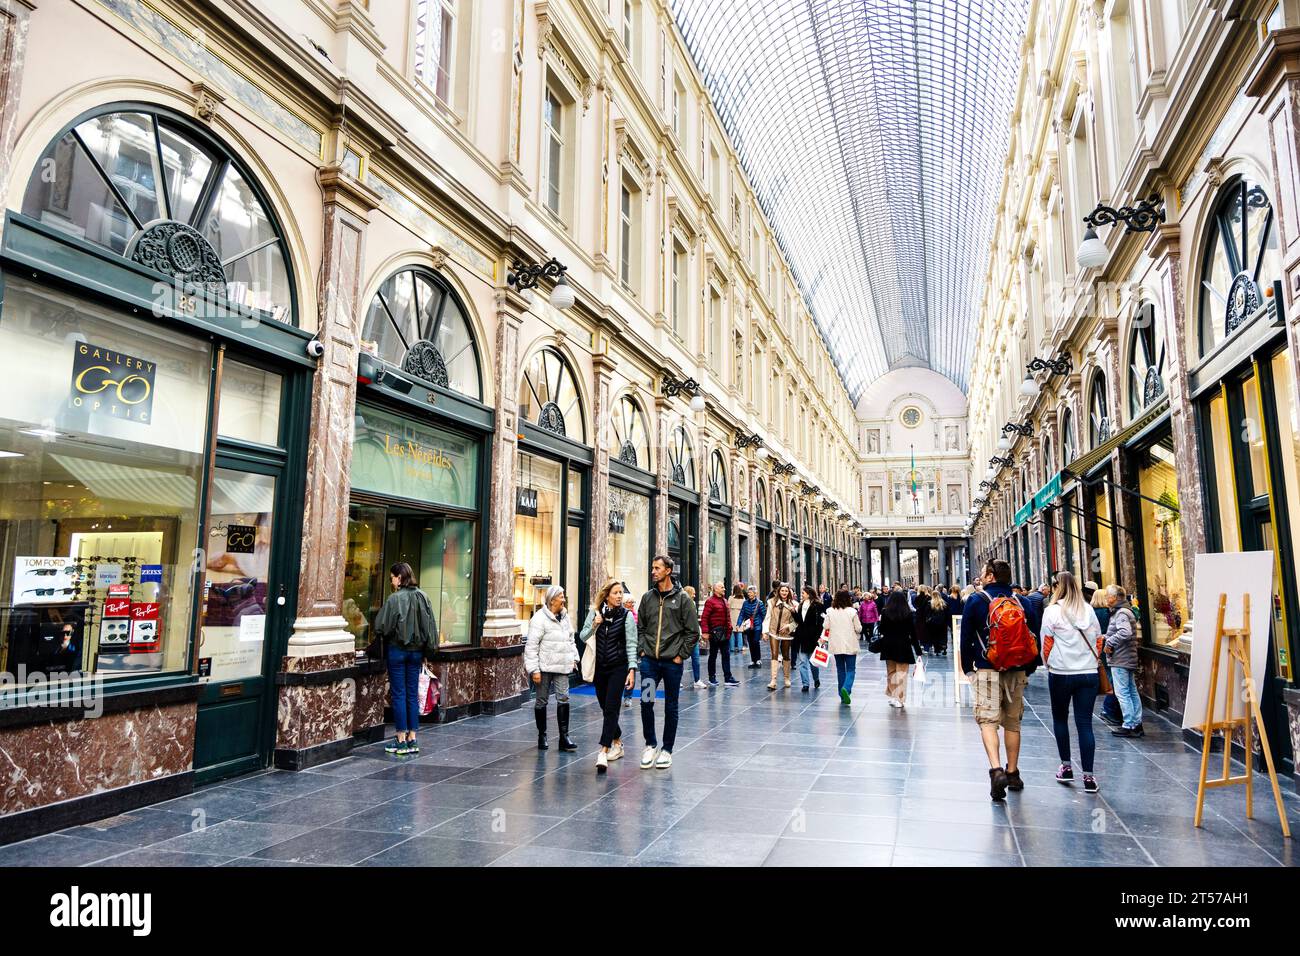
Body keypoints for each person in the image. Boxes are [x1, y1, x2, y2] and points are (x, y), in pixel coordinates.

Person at [960, 560, 1041, 800]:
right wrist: (1029, 668)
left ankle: (996, 771)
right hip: (1017, 669)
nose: (981, 576)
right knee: (1013, 722)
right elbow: (1033, 636)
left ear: (991, 576)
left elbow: (966, 637)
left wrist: (968, 668)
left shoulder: (976, 600)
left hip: (987, 668)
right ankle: (1013, 772)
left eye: (984, 573)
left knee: (988, 721)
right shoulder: (1022, 602)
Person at [1040, 571, 1103, 793]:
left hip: (1061, 673)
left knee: (1060, 718)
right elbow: (1099, 639)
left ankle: (1066, 767)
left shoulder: (1051, 611)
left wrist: (1049, 664)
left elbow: (1046, 643)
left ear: (1056, 588)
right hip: (1088, 673)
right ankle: (1089, 777)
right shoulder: (1088, 610)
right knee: (1085, 724)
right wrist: (1091, 661)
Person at [636, 555, 699, 770]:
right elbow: (641, 627)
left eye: (657, 568)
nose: (653, 571)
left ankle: (667, 750)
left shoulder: (683, 599)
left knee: (671, 706)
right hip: (649, 664)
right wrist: (642, 650)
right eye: (652, 568)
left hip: (672, 664)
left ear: (668, 571)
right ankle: (650, 744)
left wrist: (680, 655)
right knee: (646, 702)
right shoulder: (647, 598)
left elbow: (693, 632)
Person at [374, 562, 435, 756]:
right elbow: (431, 627)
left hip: (397, 651)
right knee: (412, 694)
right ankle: (412, 738)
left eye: (392, 577)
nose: (391, 581)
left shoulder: (394, 599)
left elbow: (381, 626)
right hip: (417, 653)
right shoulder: (423, 596)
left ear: (399, 578)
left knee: (399, 694)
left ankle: (400, 739)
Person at [578, 579, 638, 773]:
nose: (619, 596)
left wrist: (632, 669)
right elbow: (582, 636)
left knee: (612, 707)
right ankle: (618, 742)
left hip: (618, 668)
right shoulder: (595, 613)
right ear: (606, 596)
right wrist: (594, 625)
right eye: (615, 593)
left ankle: (603, 751)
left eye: (621, 593)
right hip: (600, 668)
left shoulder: (627, 616)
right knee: (606, 708)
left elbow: (631, 644)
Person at [525, 584, 579, 752]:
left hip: (562, 665)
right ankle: (542, 735)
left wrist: (574, 658)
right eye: (561, 596)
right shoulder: (539, 619)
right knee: (541, 701)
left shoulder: (565, 617)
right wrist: (534, 670)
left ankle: (564, 737)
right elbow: (531, 646)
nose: (564, 600)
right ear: (552, 600)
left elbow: (571, 639)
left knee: (564, 698)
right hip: (544, 667)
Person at [1103, 584, 1144, 737]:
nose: (1106, 598)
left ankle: (1129, 724)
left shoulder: (1121, 613)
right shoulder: (1125, 611)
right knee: (1131, 691)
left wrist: (1109, 642)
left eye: (1107, 596)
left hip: (1120, 658)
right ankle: (1136, 723)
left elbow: (1125, 632)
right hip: (1126, 657)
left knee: (1123, 692)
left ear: (1114, 598)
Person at [876, 589, 919, 708]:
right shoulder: (908, 613)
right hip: (903, 646)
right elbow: (913, 633)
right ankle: (899, 698)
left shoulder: (885, 612)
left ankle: (893, 696)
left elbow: (882, 629)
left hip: (888, 645)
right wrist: (918, 650)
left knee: (891, 672)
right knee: (901, 674)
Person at [1087, 582, 1122, 726]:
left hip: (1098, 646)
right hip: (1110, 646)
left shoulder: (1090, 612)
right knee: (1112, 677)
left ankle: (1110, 708)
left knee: (1107, 675)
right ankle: (1109, 708)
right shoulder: (1109, 612)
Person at [824, 588, 862, 705]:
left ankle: (842, 695)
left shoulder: (830, 611)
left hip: (836, 644)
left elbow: (826, 626)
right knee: (851, 669)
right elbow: (858, 628)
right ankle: (846, 688)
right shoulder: (852, 611)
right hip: (850, 643)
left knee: (840, 670)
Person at [701, 581, 738, 687]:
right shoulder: (710, 601)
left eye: (724, 587)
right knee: (713, 655)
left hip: (725, 633)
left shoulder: (725, 600)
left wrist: (730, 629)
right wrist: (705, 632)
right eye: (722, 587)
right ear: (715, 589)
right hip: (714, 633)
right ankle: (711, 677)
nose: (724, 589)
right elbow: (704, 617)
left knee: (726, 655)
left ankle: (728, 678)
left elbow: (728, 617)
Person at [764, 583, 798, 690]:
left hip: (786, 633)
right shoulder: (771, 602)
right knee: (774, 654)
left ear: (789, 592)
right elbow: (768, 617)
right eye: (782, 590)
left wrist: (789, 626)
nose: (784, 592)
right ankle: (773, 680)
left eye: (786, 591)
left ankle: (787, 678)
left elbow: (797, 621)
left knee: (786, 654)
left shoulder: (794, 604)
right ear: (779, 591)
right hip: (773, 631)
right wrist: (765, 632)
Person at [793, 584, 825, 692]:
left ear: (809, 594)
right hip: (801, 637)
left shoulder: (818, 605)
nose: (801, 595)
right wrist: (793, 612)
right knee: (802, 661)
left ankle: (816, 679)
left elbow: (821, 622)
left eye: (803, 593)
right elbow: (799, 621)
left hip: (813, 637)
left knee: (813, 662)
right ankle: (805, 684)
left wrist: (820, 636)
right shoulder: (800, 605)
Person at [682, 585, 706, 690]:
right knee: (680, 659)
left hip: (693, 635)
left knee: (696, 659)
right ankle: (677, 680)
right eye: (693, 593)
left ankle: (697, 680)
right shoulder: (681, 604)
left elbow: (695, 621)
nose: (695, 595)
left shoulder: (693, 604)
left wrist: (699, 634)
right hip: (684, 635)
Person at [738, 585, 766, 669]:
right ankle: (753, 660)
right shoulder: (745, 603)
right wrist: (738, 624)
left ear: (755, 593)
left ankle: (758, 660)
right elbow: (742, 614)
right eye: (748, 592)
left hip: (757, 626)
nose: (749, 594)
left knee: (756, 642)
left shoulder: (760, 603)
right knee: (750, 643)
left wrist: (764, 628)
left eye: (751, 592)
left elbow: (764, 615)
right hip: (748, 626)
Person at [622, 590, 638, 708]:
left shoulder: (635, 615)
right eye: (629, 602)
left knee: (631, 671)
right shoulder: (621, 615)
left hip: (632, 647)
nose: (632, 604)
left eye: (633, 602)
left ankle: (628, 696)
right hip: (620, 647)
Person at [926, 589, 951, 656]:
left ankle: (937, 649)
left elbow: (927, 613)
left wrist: (928, 620)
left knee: (935, 635)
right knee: (943, 634)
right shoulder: (944, 603)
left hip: (933, 622)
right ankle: (943, 646)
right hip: (943, 622)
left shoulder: (930, 603)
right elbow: (947, 613)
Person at [728, 583, 746, 654]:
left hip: (732, 615)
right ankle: (740, 647)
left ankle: (732, 648)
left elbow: (728, 607)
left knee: (732, 632)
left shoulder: (731, 598)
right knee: (739, 632)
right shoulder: (743, 598)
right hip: (740, 616)